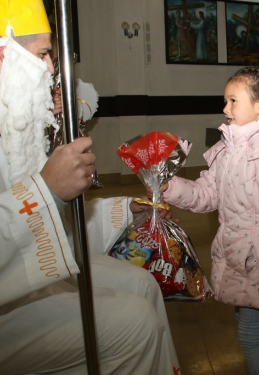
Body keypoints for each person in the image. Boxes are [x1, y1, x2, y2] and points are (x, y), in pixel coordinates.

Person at [0, 2, 180, 374]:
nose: (51, 70)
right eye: (44, 54)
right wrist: (47, 190)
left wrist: (124, 209)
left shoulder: (14, 133)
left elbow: (53, 228)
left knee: (144, 285)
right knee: (135, 322)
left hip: (26, 274)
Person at [160, 66, 259, 375]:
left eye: (232, 101)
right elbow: (207, 193)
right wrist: (169, 187)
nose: (225, 108)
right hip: (239, 255)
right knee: (248, 320)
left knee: (248, 334)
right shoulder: (230, 147)